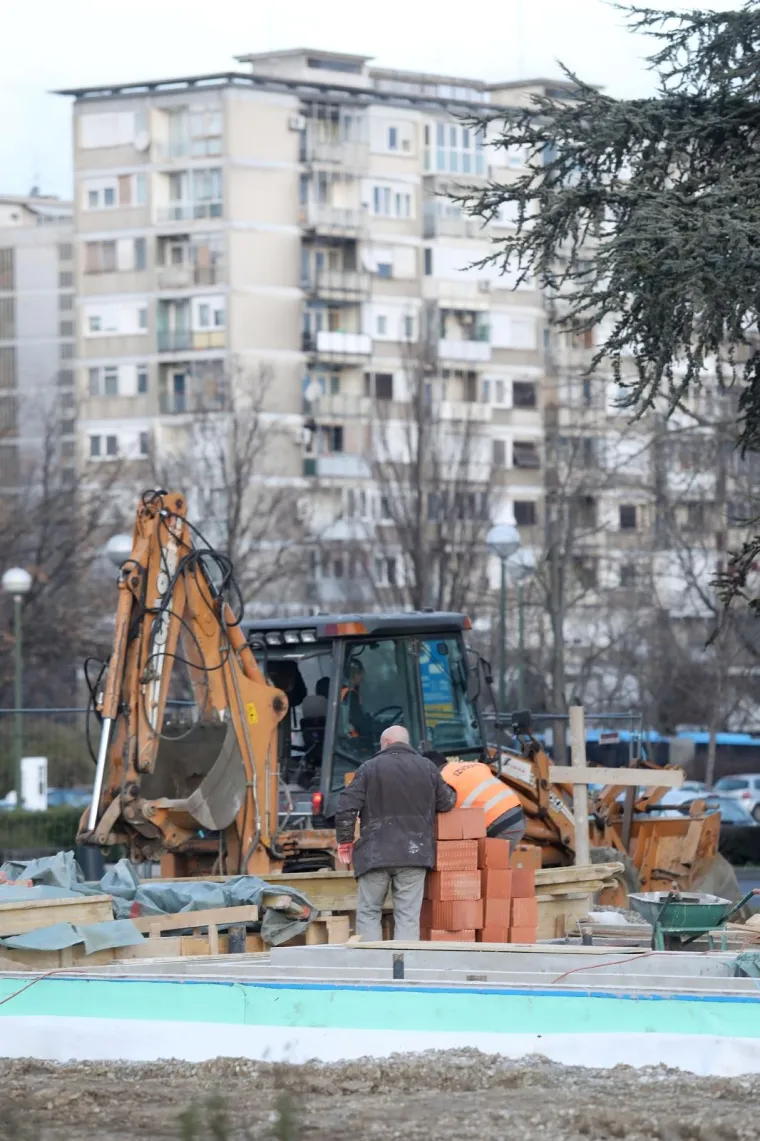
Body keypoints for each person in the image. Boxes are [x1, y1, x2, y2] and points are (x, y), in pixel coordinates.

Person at [335, 725, 456, 941]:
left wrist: (345, 840)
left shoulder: (369, 768)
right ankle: (404, 966)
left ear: (386, 743)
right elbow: (446, 803)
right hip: (414, 852)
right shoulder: (427, 767)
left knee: (369, 911)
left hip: (375, 853)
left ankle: (372, 967)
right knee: (407, 916)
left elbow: (346, 805)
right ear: (406, 743)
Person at [426, 750, 526, 854]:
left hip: (498, 824)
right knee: (495, 866)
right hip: (517, 814)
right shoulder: (474, 765)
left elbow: (444, 807)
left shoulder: (443, 779)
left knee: (491, 867)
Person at [340, 658, 374, 740]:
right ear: (355, 674)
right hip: (353, 740)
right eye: (361, 674)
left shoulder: (341, 690)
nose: (362, 678)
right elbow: (358, 721)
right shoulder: (351, 694)